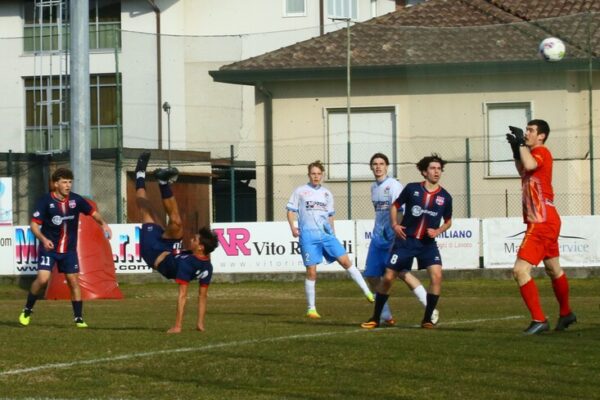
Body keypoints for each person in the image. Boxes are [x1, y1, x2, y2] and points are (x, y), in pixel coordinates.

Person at [361, 153, 452, 329]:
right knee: (387, 277)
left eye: (439, 169)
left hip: (427, 244)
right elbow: (395, 206)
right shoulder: (412, 189)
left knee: (437, 275)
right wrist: (395, 225)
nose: (436, 172)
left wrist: (438, 230)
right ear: (424, 172)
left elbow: (448, 221)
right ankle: (377, 317)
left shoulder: (445, 197)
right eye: (432, 168)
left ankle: (427, 318)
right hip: (406, 241)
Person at [135, 151, 219, 333]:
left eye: (195, 239)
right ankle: (163, 182)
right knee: (177, 223)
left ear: (201, 247)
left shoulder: (188, 266)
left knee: (145, 206)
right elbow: (203, 297)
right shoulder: (206, 265)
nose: (192, 238)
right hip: (169, 247)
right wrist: (200, 324)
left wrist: (178, 326)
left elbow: (185, 295)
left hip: (153, 252)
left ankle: (139, 173)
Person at [505, 120, 576, 335]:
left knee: (520, 270)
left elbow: (530, 165)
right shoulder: (532, 154)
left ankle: (539, 319)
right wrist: (516, 149)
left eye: (531, 130)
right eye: (526, 130)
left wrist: (520, 145)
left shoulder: (542, 151)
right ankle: (566, 313)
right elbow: (522, 168)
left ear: (542, 136)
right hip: (546, 218)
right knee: (554, 268)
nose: (527, 133)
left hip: (541, 219)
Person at [18, 167, 112, 328]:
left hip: (69, 250)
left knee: (73, 281)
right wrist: (43, 238)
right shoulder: (45, 201)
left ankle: (78, 318)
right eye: (64, 182)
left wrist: (104, 224)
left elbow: (93, 213)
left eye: (70, 182)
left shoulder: (76, 200)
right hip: (49, 249)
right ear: (56, 184)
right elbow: (34, 225)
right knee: (42, 279)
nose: (68, 185)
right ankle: (27, 309)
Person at [287, 160, 374, 319]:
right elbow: (290, 211)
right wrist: (292, 227)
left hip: (326, 236)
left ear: (322, 175)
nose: (316, 176)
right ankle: (311, 309)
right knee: (312, 272)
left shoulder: (327, 193)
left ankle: (368, 292)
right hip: (308, 237)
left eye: (319, 174)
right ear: (309, 175)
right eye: (313, 173)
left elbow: (330, 215)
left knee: (346, 262)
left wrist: (332, 233)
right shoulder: (300, 191)